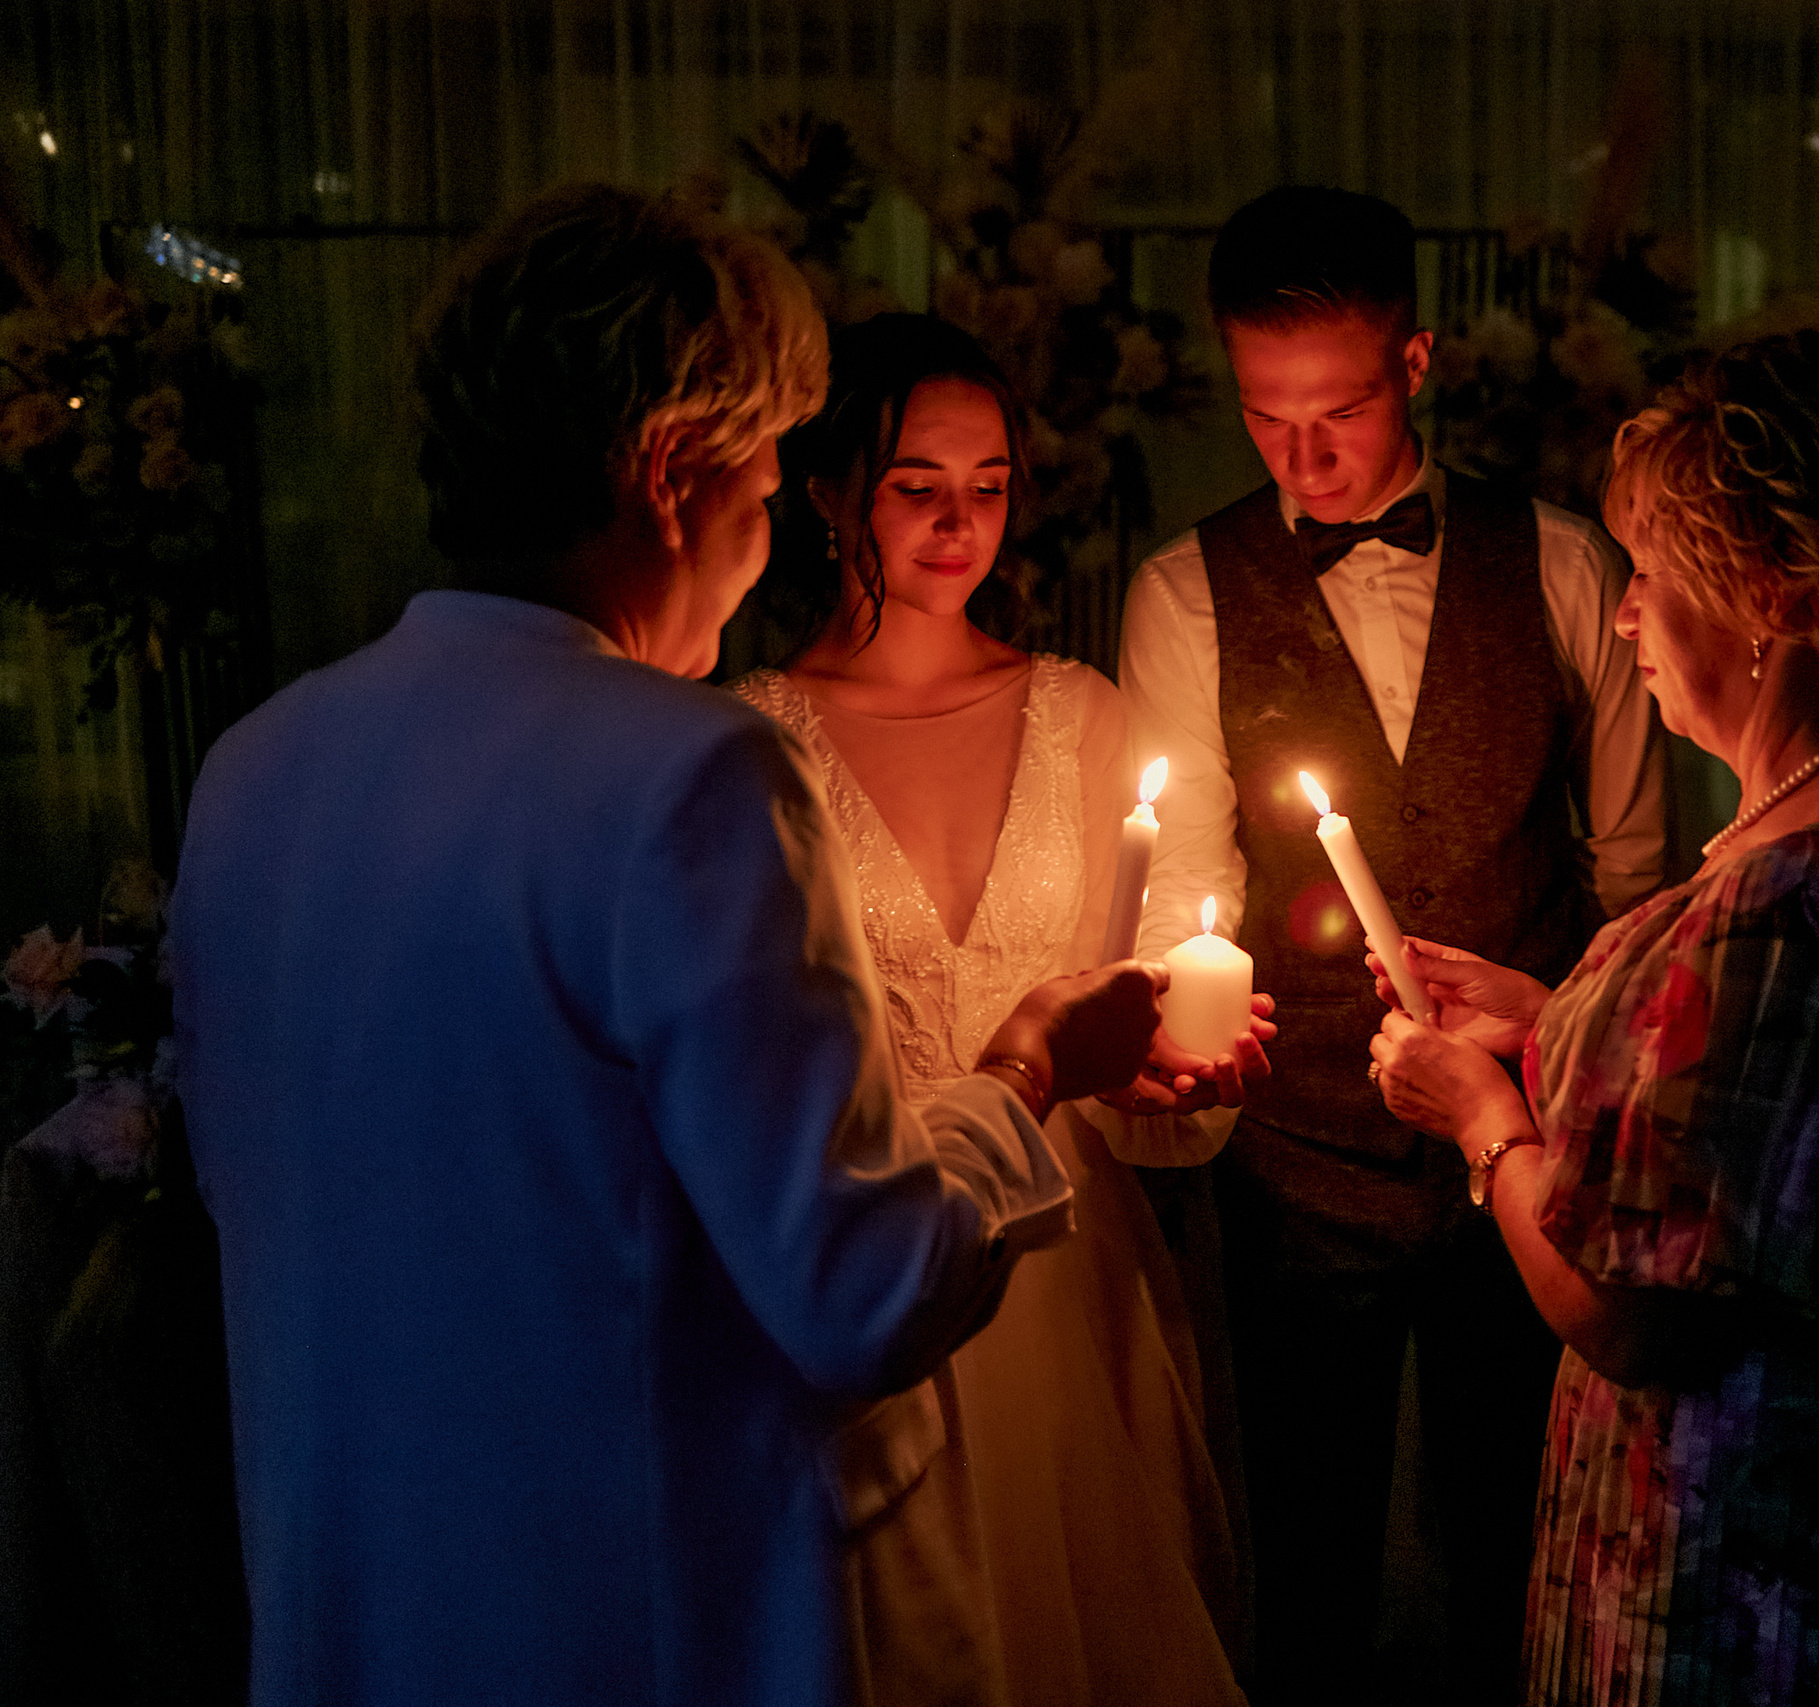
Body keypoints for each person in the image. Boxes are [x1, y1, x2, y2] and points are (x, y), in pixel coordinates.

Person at [170, 186, 1162, 1707]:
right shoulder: (689, 774)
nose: (762, 549)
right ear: (668, 475)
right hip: (639, 1614)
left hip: (361, 1606)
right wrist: (1025, 1066)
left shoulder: (257, 769)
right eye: (762, 495)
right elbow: (862, 1287)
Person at [1365, 328, 1819, 1705]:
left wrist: (1486, 1122)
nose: (1625, 620)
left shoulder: (1786, 903)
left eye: (1651, 578)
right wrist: (1554, 1021)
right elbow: (1776, 1120)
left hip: (1736, 1532)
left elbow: (1630, 1314)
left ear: (1770, 596)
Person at [1117, 186, 1667, 1702]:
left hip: (1533, 1145)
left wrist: (1559, 1060)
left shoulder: (1566, 568)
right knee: (1307, 1560)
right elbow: (1188, 886)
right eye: (1266, 416)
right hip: (1299, 1152)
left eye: (1341, 412)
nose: (1301, 459)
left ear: (1416, 363)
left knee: (1520, 1544)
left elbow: (1635, 883)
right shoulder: (1181, 595)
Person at [733, 313, 1269, 1707]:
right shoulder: (750, 742)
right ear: (830, 490)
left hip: (1070, 1258)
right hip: (875, 1242)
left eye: (987, 485)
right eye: (917, 484)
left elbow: (1137, 972)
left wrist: (1163, 1063)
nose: (958, 522)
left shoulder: (1081, 716)